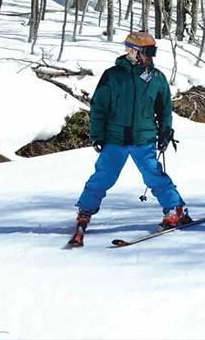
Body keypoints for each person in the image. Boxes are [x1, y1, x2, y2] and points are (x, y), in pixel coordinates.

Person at [72, 31, 189, 243]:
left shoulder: (157, 78)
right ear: (132, 51)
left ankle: (175, 209)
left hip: (143, 138)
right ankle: (85, 211)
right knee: (103, 176)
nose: (150, 57)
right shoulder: (112, 76)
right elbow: (99, 108)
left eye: (152, 52)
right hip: (115, 139)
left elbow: (165, 110)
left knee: (154, 176)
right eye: (147, 52)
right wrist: (97, 135)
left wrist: (165, 132)